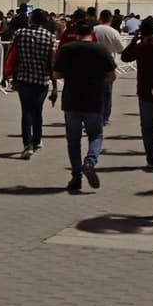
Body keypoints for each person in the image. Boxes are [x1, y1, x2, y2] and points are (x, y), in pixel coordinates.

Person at [53, 21, 117, 193]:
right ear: (92, 32)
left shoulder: (67, 49)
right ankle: (90, 161)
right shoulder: (101, 50)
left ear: (76, 33)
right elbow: (112, 76)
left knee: (73, 141)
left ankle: (76, 177)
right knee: (95, 135)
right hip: (93, 100)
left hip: (71, 100)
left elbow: (56, 73)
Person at [122, 17, 153, 170]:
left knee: (147, 127)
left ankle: (152, 160)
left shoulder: (140, 47)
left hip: (145, 89)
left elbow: (125, 56)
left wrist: (135, 40)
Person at [12, 9, 56, 159]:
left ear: (31, 18)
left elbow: (13, 55)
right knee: (37, 110)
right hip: (41, 79)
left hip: (23, 77)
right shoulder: (49, 37)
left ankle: (27, 144)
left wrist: (8, 73)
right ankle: (37, 140)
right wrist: (55, 85)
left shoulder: (19, 33)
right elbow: (51, 63)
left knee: (26, 111)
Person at [91, 9, 126, 126]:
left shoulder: (93, 30)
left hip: (93, 64)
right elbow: (121, 49)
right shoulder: (114, 32)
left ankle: (94, 113)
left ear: (100, 18)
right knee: (107, 93)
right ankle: (105, 116)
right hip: (108, 65)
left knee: (94, 92)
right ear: (110, 19)